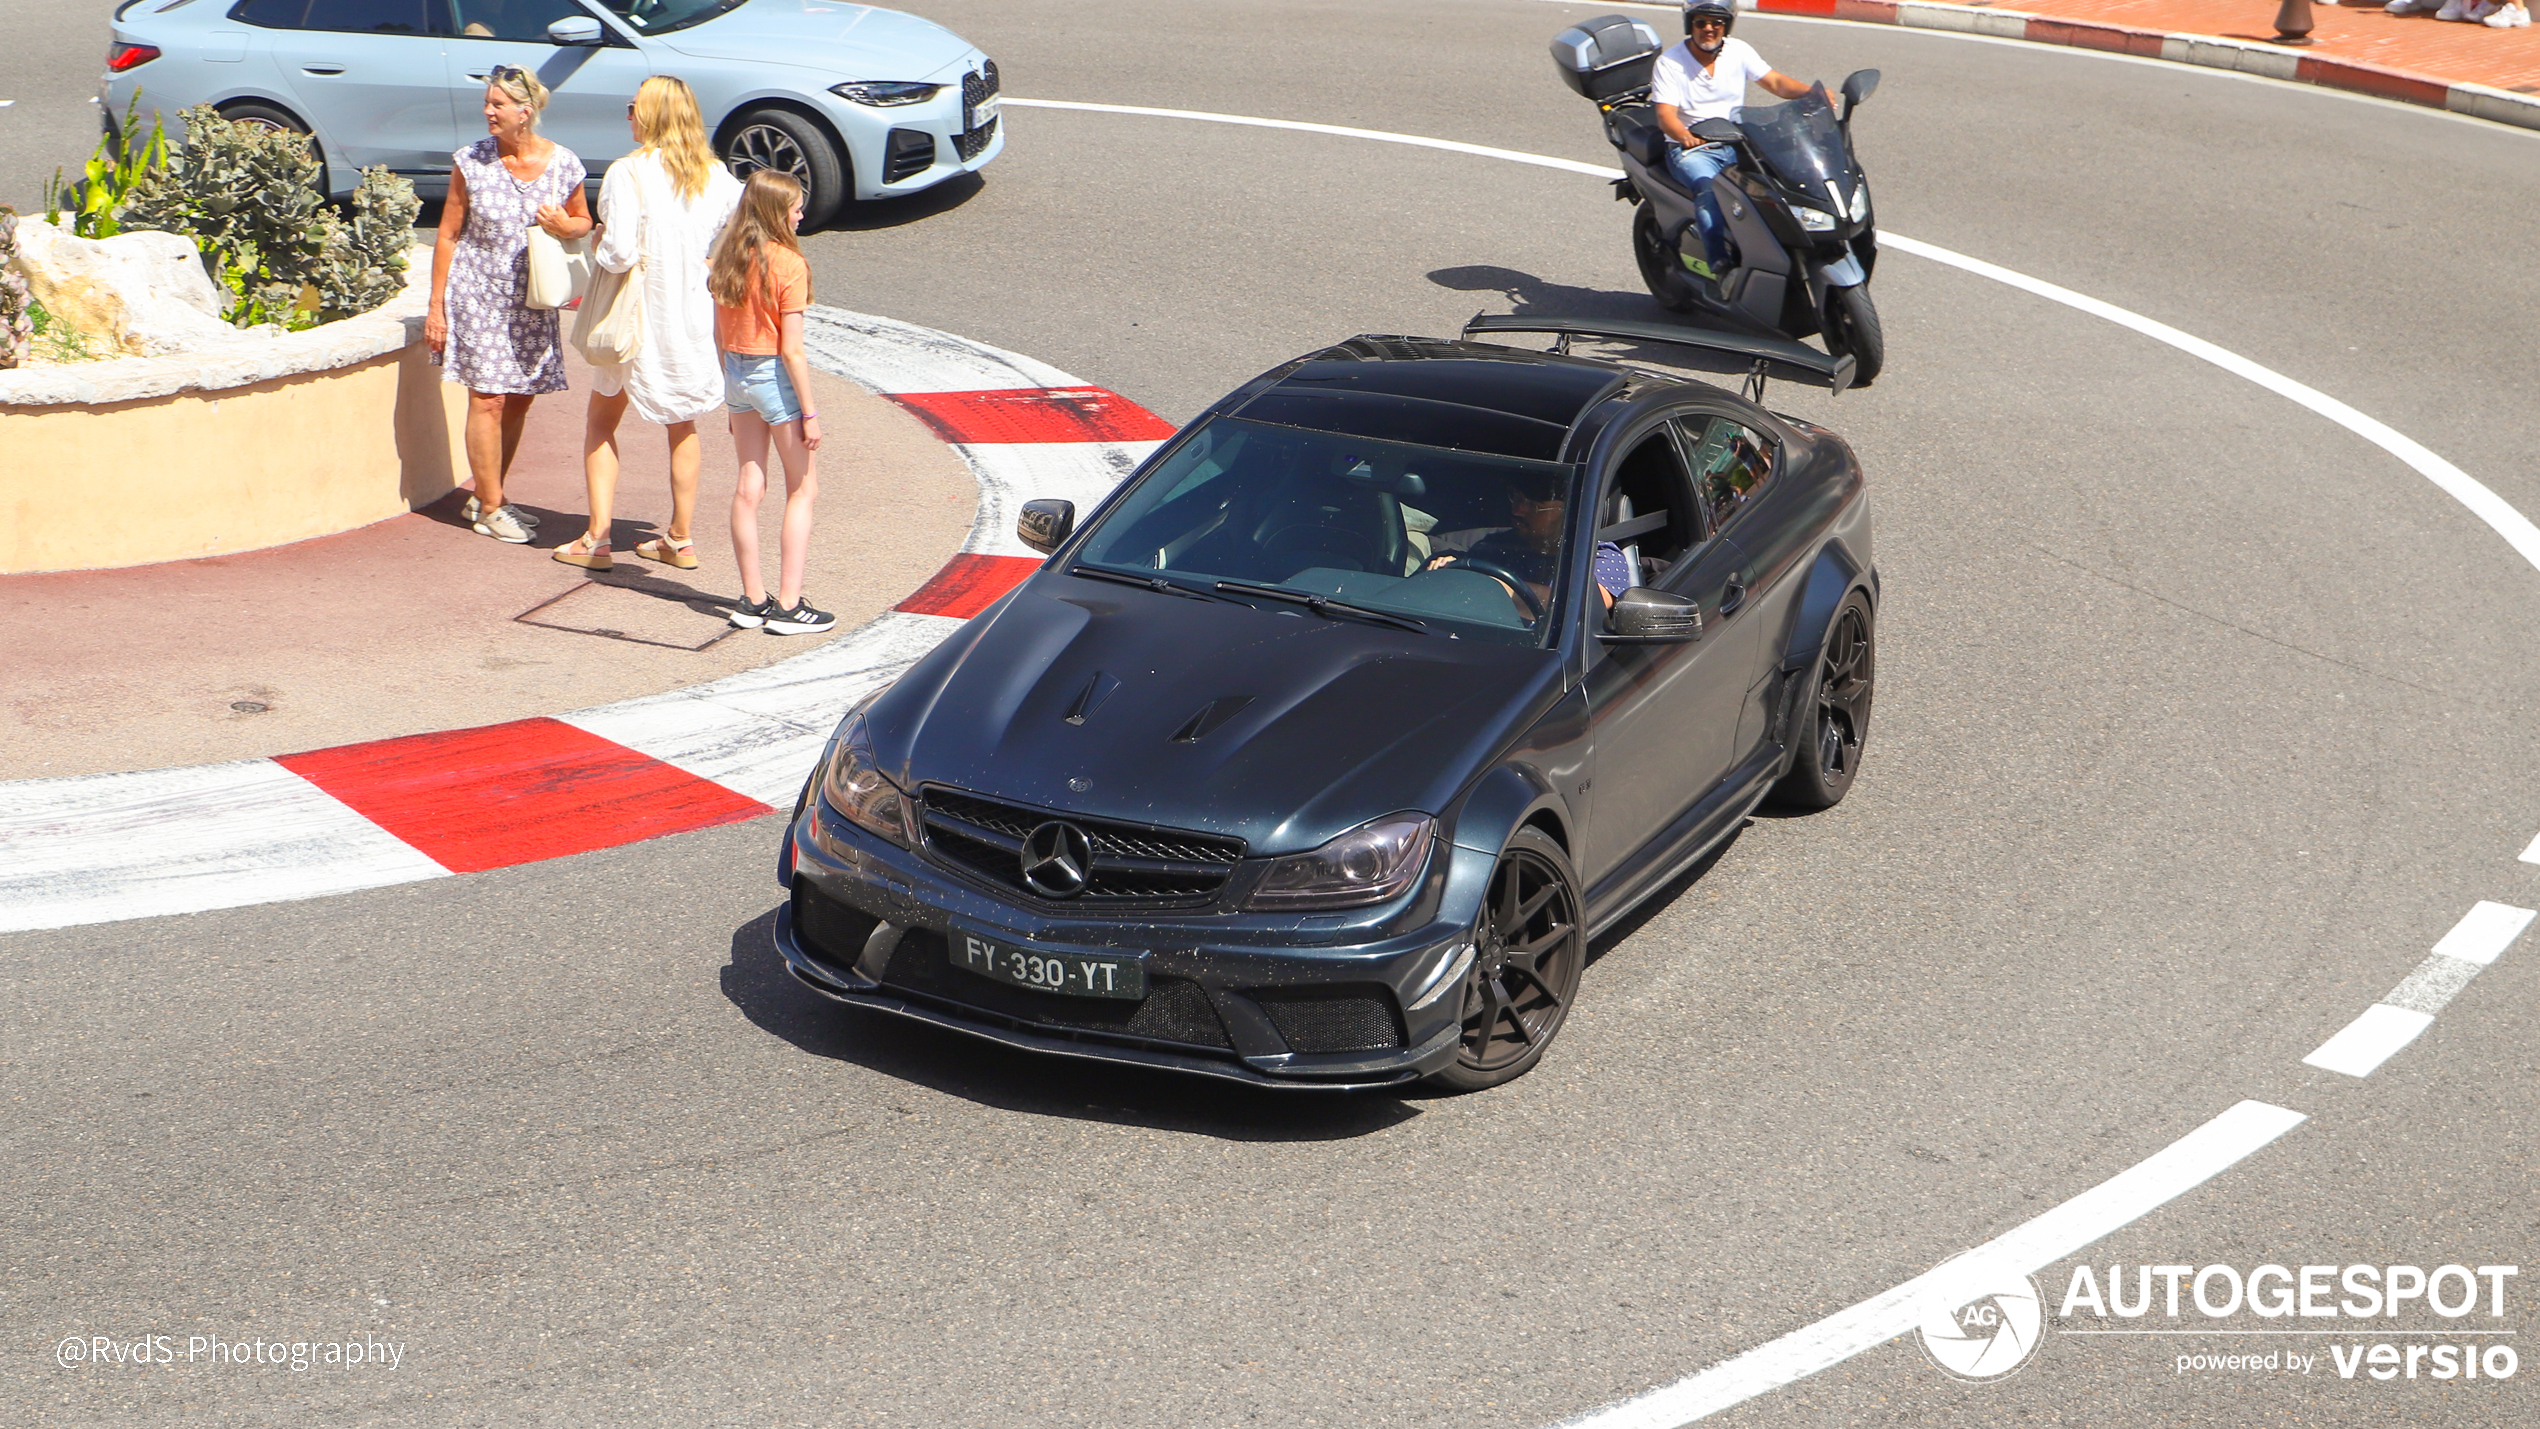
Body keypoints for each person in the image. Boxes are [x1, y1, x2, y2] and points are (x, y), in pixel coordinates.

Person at [554, 76, 745, 573]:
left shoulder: (627, 172)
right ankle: (679, 539)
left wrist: (597, 243)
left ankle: (596, 540)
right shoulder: (714, 174)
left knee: (600, 424)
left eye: (633, 107)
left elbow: (617, 255)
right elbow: (745, 221)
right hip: (685, 318)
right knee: (683, 425)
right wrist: (708, 264)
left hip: (635, 318)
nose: (628, 115)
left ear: (653, 115)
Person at [425, 65, 591, 544]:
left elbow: (583, 221)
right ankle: (491, 507)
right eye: (487, 103)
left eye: (497, 104)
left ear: (526, 111)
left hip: (532, 299)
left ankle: (488, 491)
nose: (488, 112)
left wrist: (565, 225)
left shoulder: (563, 164)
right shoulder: (471, 161)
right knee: (489, 398)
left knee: (519, 397)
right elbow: (448, 234)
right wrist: (437, 307)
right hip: (477, 293)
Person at [710, 171, 833, 635]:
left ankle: (752, 599)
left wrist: (732, 395)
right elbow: (792, 350)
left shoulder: (728, 256)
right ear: (775, 212)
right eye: (795, 208)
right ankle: (788, 605)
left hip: (737, 376)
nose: (800, 215)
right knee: (803, 488)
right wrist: (810, 412)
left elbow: (719, 334)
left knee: (748, 486)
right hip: (774, 377)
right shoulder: (788, 264)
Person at [1649, 1, 1817, 280]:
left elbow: (1774, 82)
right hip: (1693, 150)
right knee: (1709, 190)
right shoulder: (1670, 63)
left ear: (1726, 25)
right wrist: (1685, 137)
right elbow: (1665, 115)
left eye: (1716, 22)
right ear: (1690, 24)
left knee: (1780, 179)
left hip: (1736, 140)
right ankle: (1720, 265)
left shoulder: (1738, 51)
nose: (1708, 29)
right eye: (1701, 22)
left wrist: (1812, 94)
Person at [1427, 473, 1631, 620]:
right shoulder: (1494, 545)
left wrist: (1494, 586)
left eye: (1533, 506)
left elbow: (1586, 608)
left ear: (1569, 511)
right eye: (1515, 498)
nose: (1517, 511)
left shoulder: (1599, 557)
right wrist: (1453, 572)